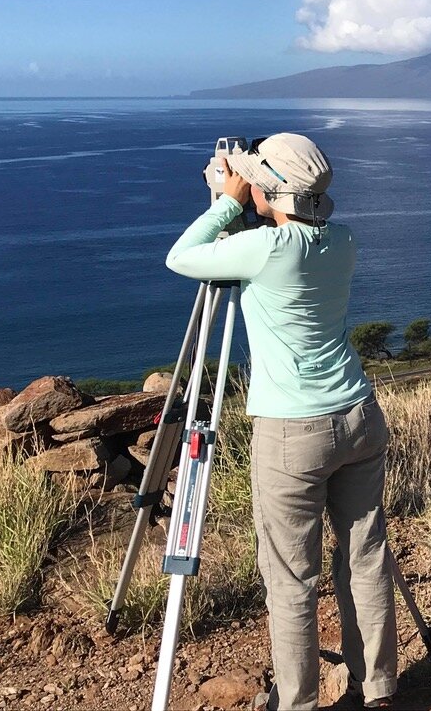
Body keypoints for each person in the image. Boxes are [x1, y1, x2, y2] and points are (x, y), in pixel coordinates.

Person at [166, 133, 397, 710]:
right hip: (359, 416)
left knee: (292, 580)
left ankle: (298, 703)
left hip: (293, 433)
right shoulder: (341, 240)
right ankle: (378, 689)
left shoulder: (263, 249)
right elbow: (283, 234)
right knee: (365, 559)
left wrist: (224, 201)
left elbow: (182, 256)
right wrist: (255, 195)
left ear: (272, 190)